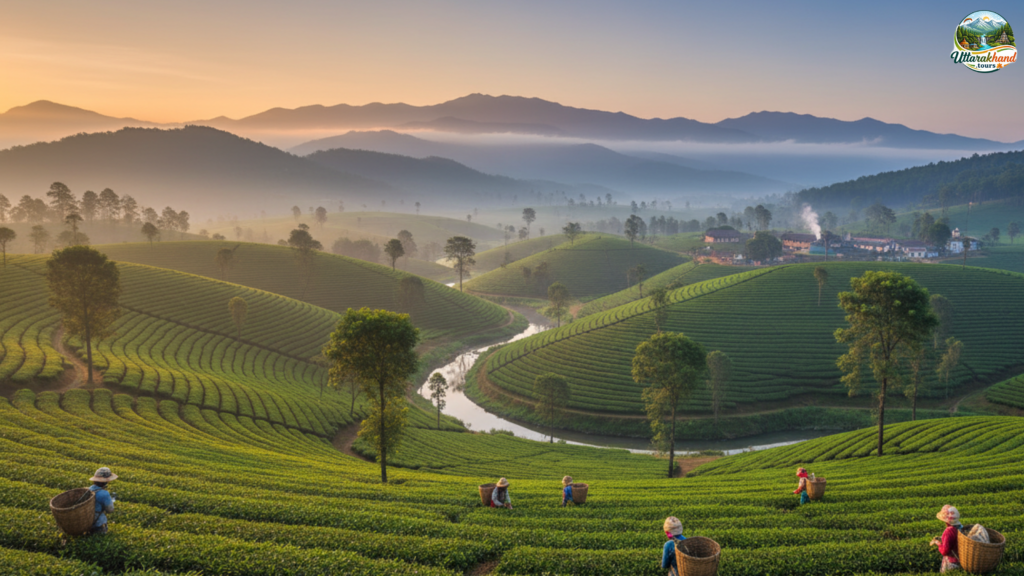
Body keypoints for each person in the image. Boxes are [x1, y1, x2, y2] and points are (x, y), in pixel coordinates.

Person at [930, 505, 962, 573]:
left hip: (951, 562)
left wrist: (938, 543)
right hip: (961, 560)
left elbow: (945, 551)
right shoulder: (960, 527)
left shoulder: (948, 531)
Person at [89, 467, 117, 534]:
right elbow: (110, 510)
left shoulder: (88, 490)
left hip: (87, 523)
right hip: (98, 524)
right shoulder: (104, 494)